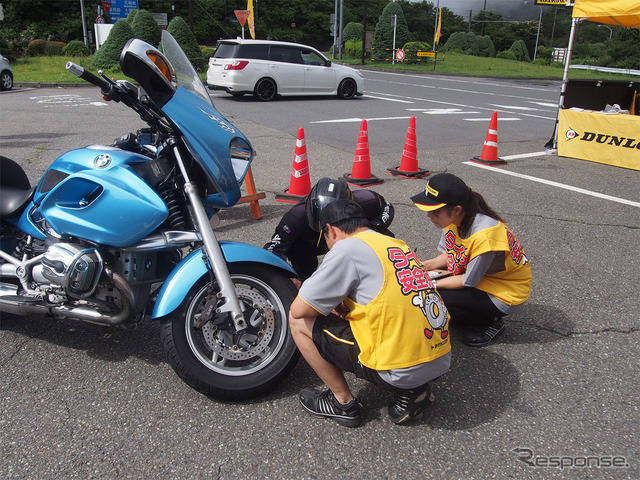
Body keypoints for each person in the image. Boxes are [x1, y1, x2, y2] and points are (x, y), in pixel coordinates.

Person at [289, 197, 451, 427]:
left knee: (297, 322)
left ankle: (342, 403)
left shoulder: (346, 248)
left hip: (399, 368)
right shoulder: (396, 244)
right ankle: (412, 390)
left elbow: (299, 309)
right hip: (440, 357)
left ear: (331, 230)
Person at [410, 173, 532, 347]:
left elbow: (469, 280)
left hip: (506, 291)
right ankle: (470, 311)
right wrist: (421, 266)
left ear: (457, 209)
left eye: (435, 211)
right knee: (428, 288)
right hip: (483, 278)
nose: (430, 215)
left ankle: (490, 322)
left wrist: (429, 283)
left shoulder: (485, 235)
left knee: (435, 296)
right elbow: (451, 254)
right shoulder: (455, 220)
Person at [264, 177, 394, 281]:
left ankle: (386, 270)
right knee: (299, 258)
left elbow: (387, 207)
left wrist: (369, 230)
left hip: (349, 233)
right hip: (312, 243)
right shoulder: (295, 218)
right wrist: (285, 278)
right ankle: (304, 279)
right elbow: (274, 249)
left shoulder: (368, 200)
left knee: (382, 239)